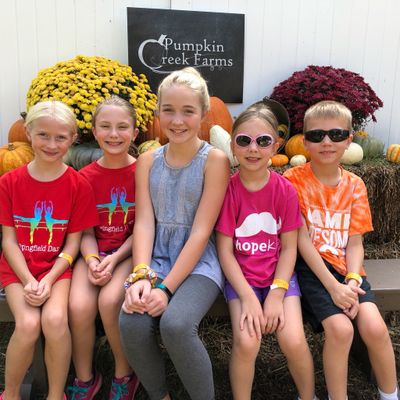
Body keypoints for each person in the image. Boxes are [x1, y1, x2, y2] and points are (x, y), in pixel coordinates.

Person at [119, 66, 230, 400]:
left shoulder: (214, 161)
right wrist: (141, 275)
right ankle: (160, 395)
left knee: (176, 324)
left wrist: (165, 289)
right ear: (157, 112)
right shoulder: (147, 160)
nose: (177, 120)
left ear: (204, 113)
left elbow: (201, 232)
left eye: (188, 111)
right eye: (168, 110)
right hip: (156, 258)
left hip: (199, 263)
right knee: (131, 321)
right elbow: (144, 222)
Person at [284, 100, 398, 400]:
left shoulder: (355, 185)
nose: (326, 142)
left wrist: (352, 279)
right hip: (312, 269)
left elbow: (355, 242)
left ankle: (390, 394)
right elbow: (301, 240)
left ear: (349, 139)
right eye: (316, 135)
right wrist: (334, 287)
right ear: (304, 141)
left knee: (374, 328)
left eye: (336, 134)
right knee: (341, 329)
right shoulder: (293, 181)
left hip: (348, 270)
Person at [215, 102, 316, 400]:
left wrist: (276, 293)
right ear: (232, 145)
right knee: (247, 343)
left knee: (294, 340)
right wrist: (248, 297)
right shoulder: (227, 191)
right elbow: (225, 252)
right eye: (244, 140)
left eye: (263, 141)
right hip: (241, 280)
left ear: (276, 146)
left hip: (279, 278)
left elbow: (289, 248)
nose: (253, 149)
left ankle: (307, 396)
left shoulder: (284, 190)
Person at [0, 101, 98, 400]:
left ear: (72, 138)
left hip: (58, 268)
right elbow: (8, 241)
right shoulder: (9, 182)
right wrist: (29, 280)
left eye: (60, 137)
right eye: (43, 135)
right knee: (28, 323)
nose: (51, 144)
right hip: (19, 269)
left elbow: (73, 243)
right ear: (28, 133)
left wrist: (49, 278)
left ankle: (56, 395)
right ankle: (11, 394)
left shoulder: (78, 185)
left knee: (55, 320)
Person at [67, 96, 139, 400]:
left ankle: (125, 373)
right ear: (94, 131)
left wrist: (115, 259)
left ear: (135, 133)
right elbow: (85, 232)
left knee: (110, 301)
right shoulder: (84, 178)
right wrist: (93, 259)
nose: (114, 134)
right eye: (105, 127)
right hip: (93, 252)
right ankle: (86, 377)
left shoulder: (143, 173)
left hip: (128, 251)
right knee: (78, 306)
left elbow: (144, 228)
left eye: (122, 127)